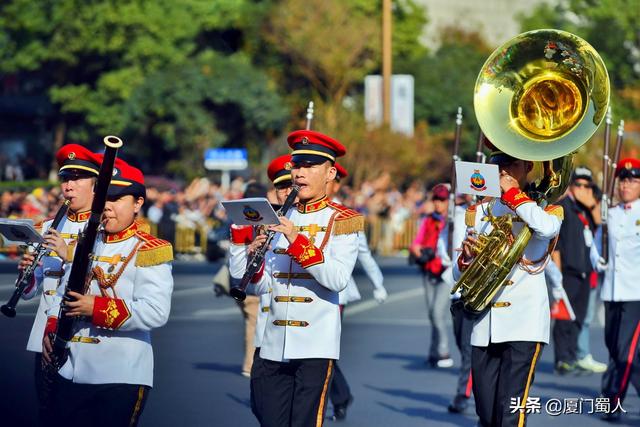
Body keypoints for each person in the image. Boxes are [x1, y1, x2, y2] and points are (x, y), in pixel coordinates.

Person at [42, 157, 174, 427]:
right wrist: (53, 325)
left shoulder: (150, 248)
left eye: (117, 198)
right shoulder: (87, 241)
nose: (108, 207)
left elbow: (155, 312)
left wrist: (96, 308)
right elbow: (62, 293)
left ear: (138, 203)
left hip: (120, 374)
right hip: (71, 369)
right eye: (104, 198)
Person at [243, 130, 362, 427]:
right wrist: (252, 258)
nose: (300, 173)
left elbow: (337, 279)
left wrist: (297, 240)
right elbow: (262, 285)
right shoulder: (279, 216)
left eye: (310, 166)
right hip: (272, 343)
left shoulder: (343, 219)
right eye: (297, 166)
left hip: (315, 345)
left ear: (330, 173)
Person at [454, 146, 562, 427]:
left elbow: (548, 229)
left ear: (527, 166)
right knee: (487, 413)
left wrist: (514, 195)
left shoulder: (545, 209)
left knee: (511, 412)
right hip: (485, 324)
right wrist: (466, 259)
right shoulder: (479, 211)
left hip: (524, 323)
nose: (501, 168)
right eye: (496, 161)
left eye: (510, 163)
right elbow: (457, 272)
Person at [19, 144, 101, 419]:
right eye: (66, 179)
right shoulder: (47, 227)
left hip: (87, 337)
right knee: (49, 413)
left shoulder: (104, 228)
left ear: (95, 186)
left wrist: (69, 255)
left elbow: (105, 276)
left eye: (77, 179)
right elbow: (34, 290)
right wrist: (27, 275)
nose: (69, 186)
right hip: (46, 337)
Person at [329, 162, 388, 421]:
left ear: (335, 182)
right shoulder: (297, 212)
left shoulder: (344, 216)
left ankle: (338, 396)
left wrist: (378, 283)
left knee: (322, 352)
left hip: (334, 293)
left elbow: (363, 254)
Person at [590, 157, 640, 422]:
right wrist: (597, 259)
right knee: (614, 347)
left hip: (636, 293)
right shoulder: (611, 213)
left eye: (633, 180)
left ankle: (612, 402)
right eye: (623, 180)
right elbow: (597, 246)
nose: (626, 185)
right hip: (611, 290)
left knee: (624, 351)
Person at [551, 166, 606, 374]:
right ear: (571, 186)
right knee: (565, 317)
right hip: (568, 272)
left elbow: (603, 229)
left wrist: (592, 205)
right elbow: (556, 244)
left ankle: (573, 355)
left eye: (587, 185)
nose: (582, 188)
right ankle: (562, 359)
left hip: (586, 271)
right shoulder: (562, 207)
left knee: (579, 317)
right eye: (578, 184)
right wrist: (557, 274)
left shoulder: (590, 208)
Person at [437, 191, 474, 413]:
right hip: (456, 289)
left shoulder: (487, 214)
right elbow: (443, 245)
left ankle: (463, 393)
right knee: (461, 343)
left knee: (470, 348)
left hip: (475, 291)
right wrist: (449, 258)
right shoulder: (456, 216)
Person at [410, 184, 454, 368]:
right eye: (436, 199)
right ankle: (433, 351)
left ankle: (443, 351)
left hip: (446, 271)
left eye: (442, 199)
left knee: (437, 312)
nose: (438, 203)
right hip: (429, 269)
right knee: (431, 313)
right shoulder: (428, 220)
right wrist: (418, 251)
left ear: (448, 201)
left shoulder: (453, 220)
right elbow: (416, 243)